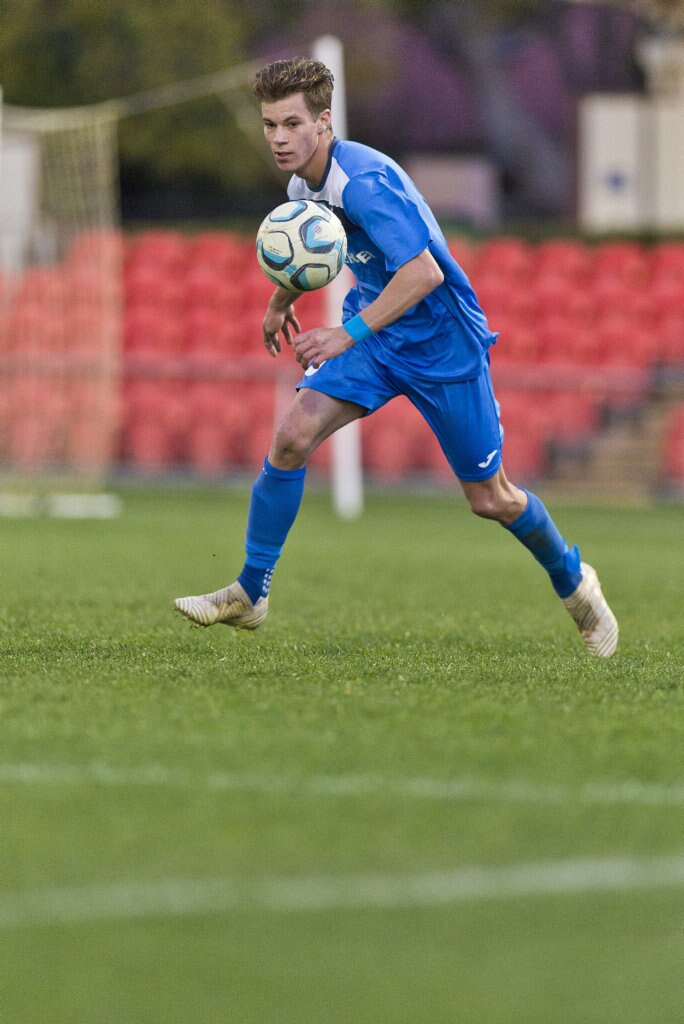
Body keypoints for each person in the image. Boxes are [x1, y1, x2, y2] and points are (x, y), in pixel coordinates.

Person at [174, 56, 618, 657]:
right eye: (268, 125)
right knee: (291, 438)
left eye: (289, 124)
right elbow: (320, 252)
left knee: (491, 499)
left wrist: (342, 334)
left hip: (443, 346)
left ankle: (574, 581)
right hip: (381, 340)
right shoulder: (303, 184)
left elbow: (424, 272)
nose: (277, 138)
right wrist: (281, 300)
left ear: (323, 122)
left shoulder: (363, 182)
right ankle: (251, 594)